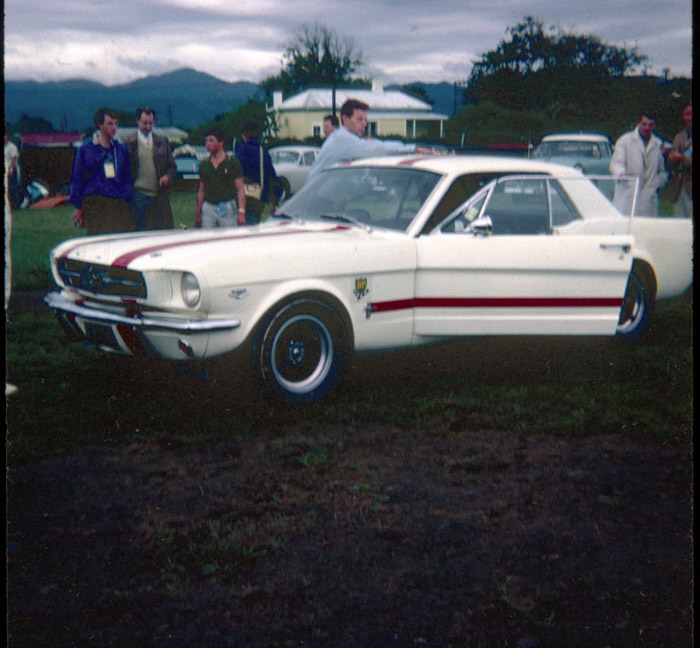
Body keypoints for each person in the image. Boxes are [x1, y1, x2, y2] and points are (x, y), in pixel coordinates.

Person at [306, 99, 435, 183]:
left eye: (365, 119)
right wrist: (413, 149)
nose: (365, 124)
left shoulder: (346, 138)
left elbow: (375, 144)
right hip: (315, 200)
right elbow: (378, 149)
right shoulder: (342, 139)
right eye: (359, 119)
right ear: (345, 120)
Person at [70, 107, 132, 234]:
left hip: (116, 202)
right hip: (95, 203)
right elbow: (77, 178)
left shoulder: (121, 149)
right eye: (110, 123)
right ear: (100, 125)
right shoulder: (85, 148)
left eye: (116, 124)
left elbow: (127, 177)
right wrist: (79, 206)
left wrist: (124, 197)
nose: (114, 127)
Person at [125, 107, 177, 230]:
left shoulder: (162, 143)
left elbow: (172, 167)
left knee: (161, 233)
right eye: (145, 123)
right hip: (139, 197)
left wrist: (167, 177)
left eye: (151, 123)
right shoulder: (129, 144)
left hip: (159, 197)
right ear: (137, 121)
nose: (148, 127)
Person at [609, 110, 668, 217]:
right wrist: (622, 173)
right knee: (625, 227)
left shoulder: (657, 144)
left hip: (648, 197)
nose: (647, 128)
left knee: (646, 229)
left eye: (650, 125)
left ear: (653, 126)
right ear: (638, 123)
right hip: (628, 194)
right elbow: (615, 164)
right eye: (644, 124)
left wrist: (656, 183)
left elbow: (662, 171)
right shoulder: (625, 140)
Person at [195, 128, 246, 228]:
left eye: (211, 140)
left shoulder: (232, 163)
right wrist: (198, 214)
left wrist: (241, 211)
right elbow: (201, 191)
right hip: (209, 207)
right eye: (206, 141)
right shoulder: (204, 165)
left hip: (227, 206)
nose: (208, 144)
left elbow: (240, 189)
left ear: (221, 143)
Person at [235, 120, 279, 225]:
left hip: (242, 195)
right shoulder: (263, 151)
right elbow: (273, 177)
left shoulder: (241, 149)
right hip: (258, 197)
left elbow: (237, 171)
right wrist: (275, 202)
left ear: (245, 134)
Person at [665, 101, 692, 218]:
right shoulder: (679, 136)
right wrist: (670, 157)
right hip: (678, 189)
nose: (688, 117)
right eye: (685, 114)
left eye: (690, 114)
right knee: (680, 226)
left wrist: (682, 158)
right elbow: (670, 164)